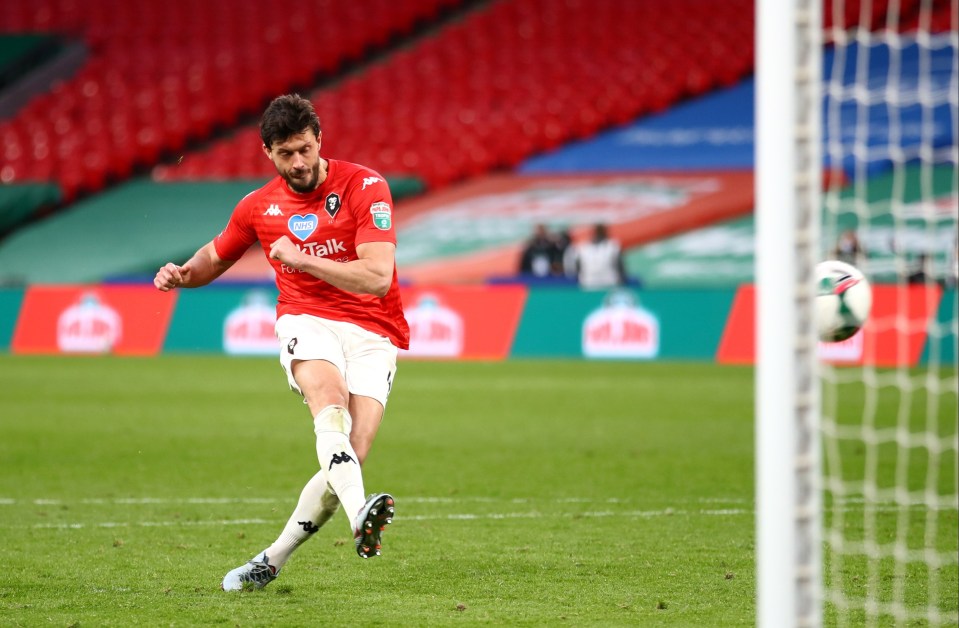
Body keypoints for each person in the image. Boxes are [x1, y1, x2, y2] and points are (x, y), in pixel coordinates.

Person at [153, 94, 410, 591]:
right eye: (286, 154)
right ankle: (362, 514)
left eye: (305, 150)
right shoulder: (258, 205)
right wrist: (185, 274)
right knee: (328, 402)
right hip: (306, 318)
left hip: (375, 328)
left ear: (320, 141)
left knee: (352, 452)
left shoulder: (365, 185)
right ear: (268, 152)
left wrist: (301, 258)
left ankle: (270, 559)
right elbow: (216, 253)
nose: (299, 163)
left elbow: (378, 277)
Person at [573, 223, 626, 289]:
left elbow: (577, 268)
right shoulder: (613, 246)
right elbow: (620, 267)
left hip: (590, 283)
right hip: (607, 283)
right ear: (606, 232)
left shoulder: (582, 248)